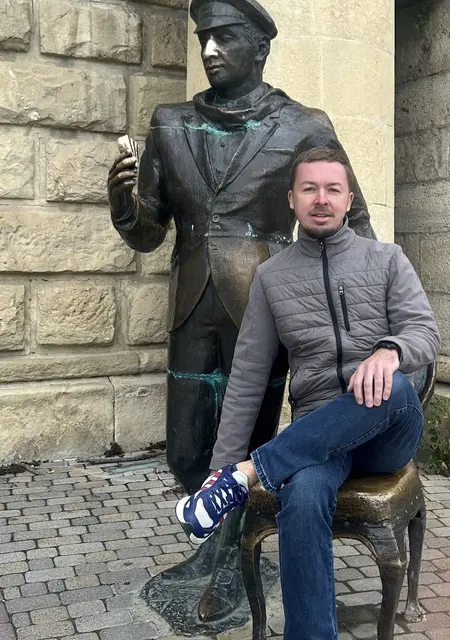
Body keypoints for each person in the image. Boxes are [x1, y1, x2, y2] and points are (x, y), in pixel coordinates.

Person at [108, 0, 374, 621]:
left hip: (266, 309)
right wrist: (124, 207)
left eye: (224, 37)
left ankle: (232, 557)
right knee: (185, 449)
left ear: (260, 47)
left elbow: (354, 222)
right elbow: (150, 231)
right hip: (191, 305)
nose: (208, 50)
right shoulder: (170, 122)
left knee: (249, 446)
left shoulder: (303, 125)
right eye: (204, 37)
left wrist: (354, 314)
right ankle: (216, 544)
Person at [175, 147, 441, 639]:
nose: (322, 199)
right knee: (299, 496)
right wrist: (220, 463)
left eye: (332, 189)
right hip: (317, 436)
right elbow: (248, 377)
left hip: (387, 429)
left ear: (348, 199)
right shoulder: (271, 278)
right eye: (309, 189)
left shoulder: (387, 259)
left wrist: (389, 351)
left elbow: (425, 333)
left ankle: (250, 473)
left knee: (395, 385)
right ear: (292, 200)